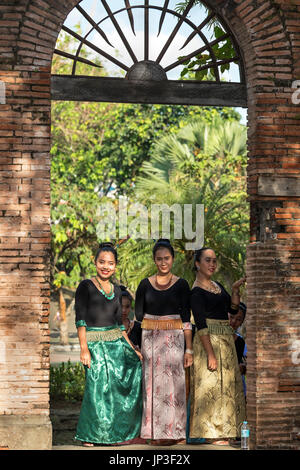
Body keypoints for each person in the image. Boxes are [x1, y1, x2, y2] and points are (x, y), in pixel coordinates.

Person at [74, 242, 143, 446]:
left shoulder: (117, 290)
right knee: (96, 390)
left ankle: (116, 434)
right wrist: (84, 348)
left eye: (110, 263)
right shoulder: (85, 286)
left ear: (115, 266)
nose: (106, 266)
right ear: (95, 263)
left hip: (116, 345)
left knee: (115, 392)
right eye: (102, 262)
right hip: (94, 345)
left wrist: (132, 350)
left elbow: (120, 326)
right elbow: (80, 319)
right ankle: (91, 436)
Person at [135, 239, 193, 445]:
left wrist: (189, 350)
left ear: (173, 259)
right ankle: (155, 434)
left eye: (166, 258)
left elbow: (187, 319)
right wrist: (136, 346)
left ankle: (175, 433)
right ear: (154, 260)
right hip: (150, 341)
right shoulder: (144, 284)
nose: (163, 262)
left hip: (176, 340)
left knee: (173, 387)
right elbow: (138, 319)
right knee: (152, 387)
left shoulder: (182, 284)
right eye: (159, 259)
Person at [189, 247, 246, 446]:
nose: (212, 264)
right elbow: (201, 324)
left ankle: (228, 431)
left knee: (227, 386)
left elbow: (232, 309)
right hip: (208, 341)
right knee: (211, 385)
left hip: (225, 339)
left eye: (214, 260)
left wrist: (236, 290)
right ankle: (212, 434)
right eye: (207, 260)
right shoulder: (196, 291)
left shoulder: (217, 285)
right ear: (198, 264)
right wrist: (210, 354)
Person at [229, 302, 247, 397]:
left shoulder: (240, 342)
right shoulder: (215, 338)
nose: (233, 321)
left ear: (242, 322)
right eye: (231, 317)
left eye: (238, 319)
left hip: (235, 387)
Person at [120, 285, 142, 350]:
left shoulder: (137, 327)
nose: (124, 310)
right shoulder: (107, 327)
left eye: (127, 306)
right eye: (121, 306)